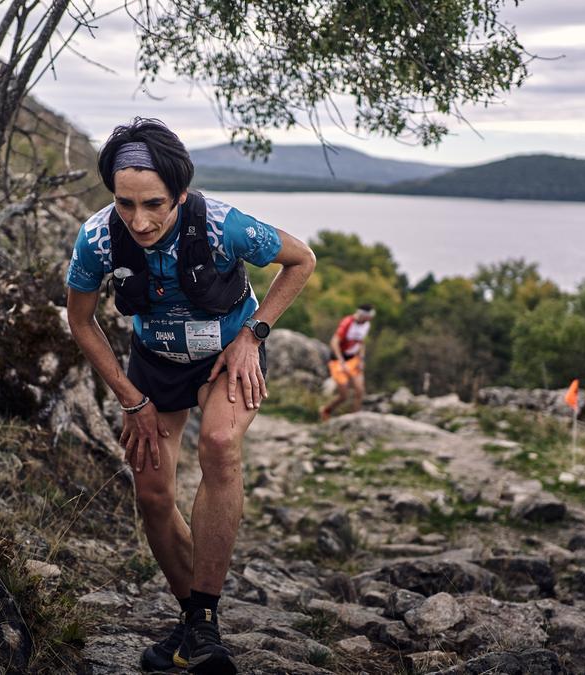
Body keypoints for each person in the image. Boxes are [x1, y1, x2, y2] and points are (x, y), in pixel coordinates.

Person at [66, 118, 315, 674]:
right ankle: (192, 621)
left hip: (226, 354)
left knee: (220, 443)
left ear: (179, 192)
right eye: (125, 203)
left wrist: (254, 335)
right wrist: (131, 397)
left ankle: (204, 616)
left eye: (154, 203)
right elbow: (81, 321)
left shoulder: (226, 226)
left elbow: (302, 260)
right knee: (152, 490)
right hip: (153, 364)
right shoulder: (99, 236)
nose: (140, 219)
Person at [319, 304, 375, 421]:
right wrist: (341, 362)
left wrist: (361, 359)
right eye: (369, 316)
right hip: (338, 360)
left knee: (360, 391)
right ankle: (326, 410)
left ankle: (355, 419)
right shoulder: (348, 322)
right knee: (344, 395)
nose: (370, 319)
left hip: (353, 359)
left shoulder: (366, 325)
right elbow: (334, 342)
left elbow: (361, 342)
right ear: (363, 315)